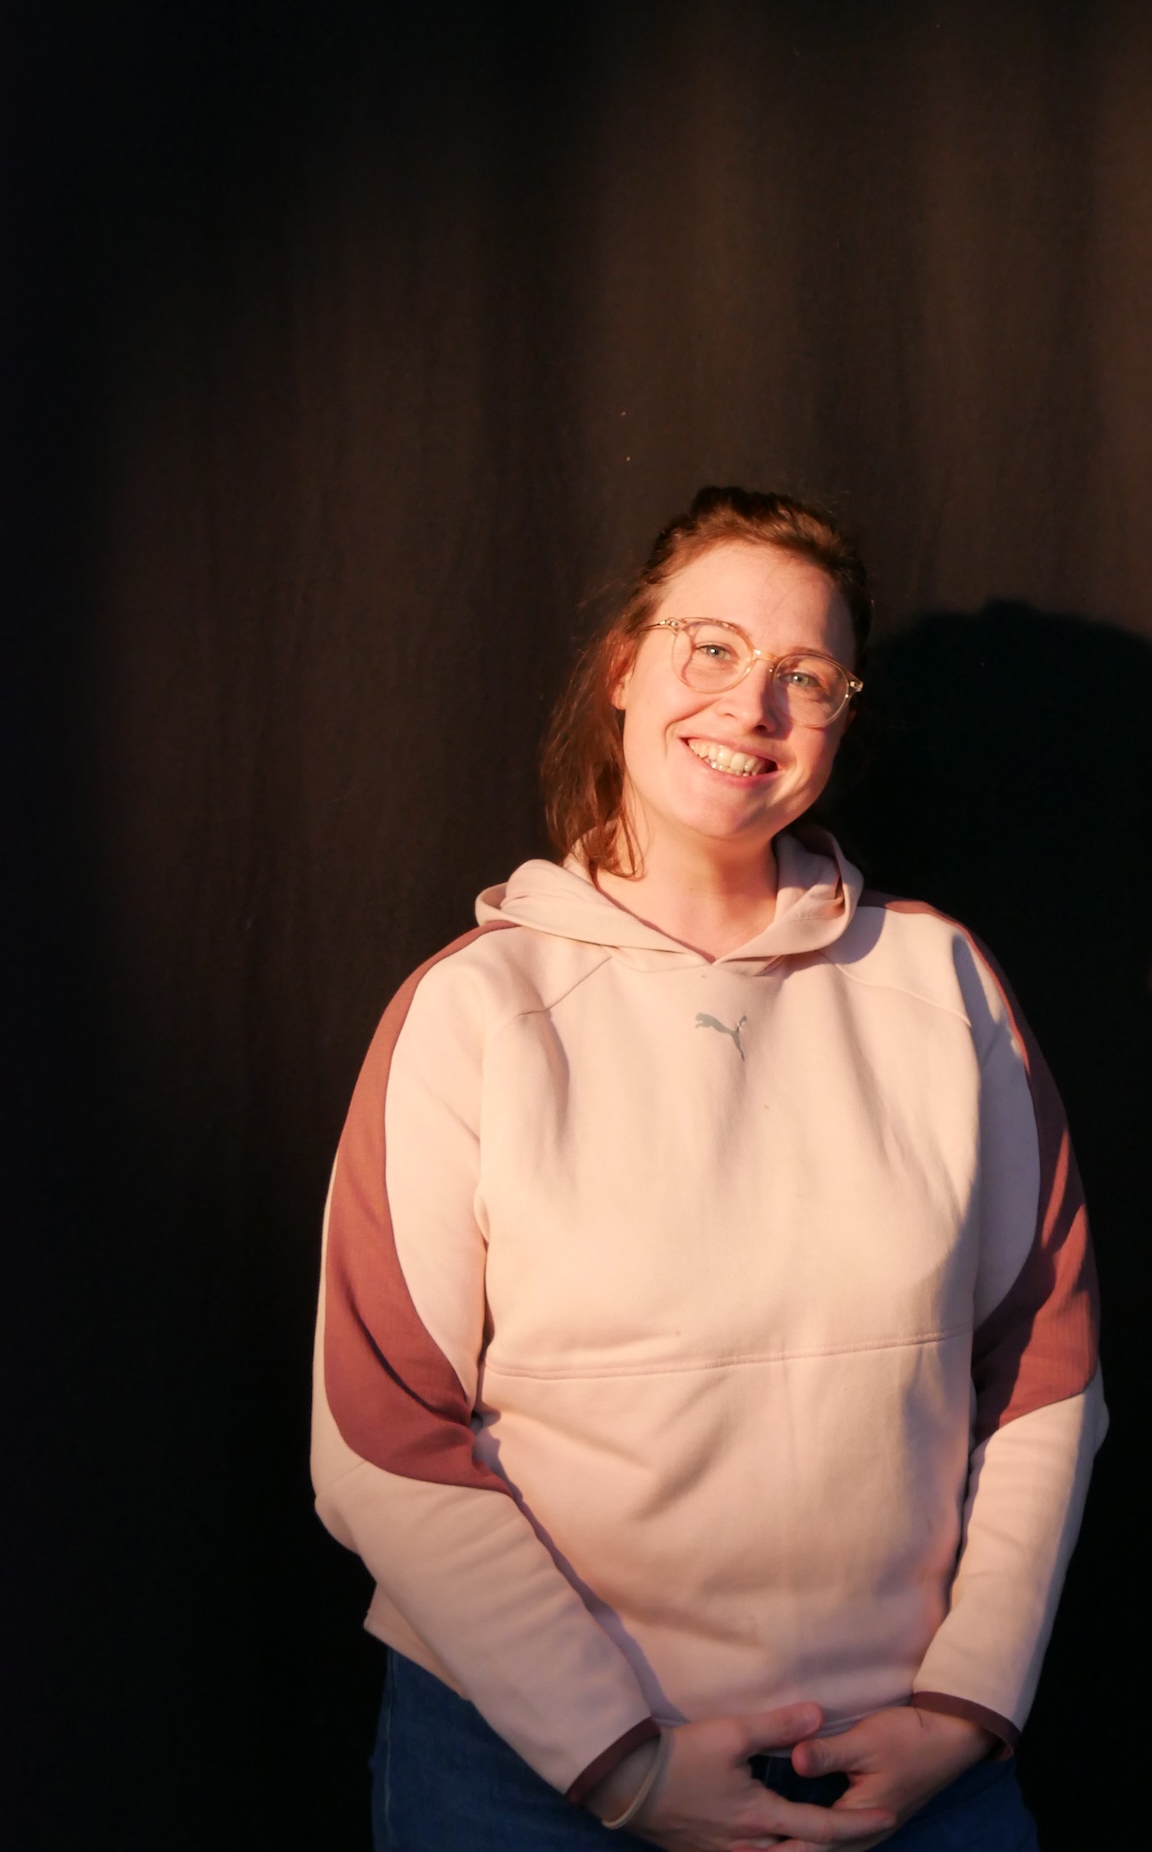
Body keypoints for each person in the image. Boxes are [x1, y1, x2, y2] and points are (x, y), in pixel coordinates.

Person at [311, 486, 1106, 1852]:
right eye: (714, 648)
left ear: (841, 719)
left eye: (808, 674)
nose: (754, 705)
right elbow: (383, 1435)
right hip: (532, 1778)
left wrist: (966, 1708)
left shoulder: (945, 986)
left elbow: (1045, 1370)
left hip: (898, 1771)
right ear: (625, 669)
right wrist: (619, 1765)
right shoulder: (474, 1009)